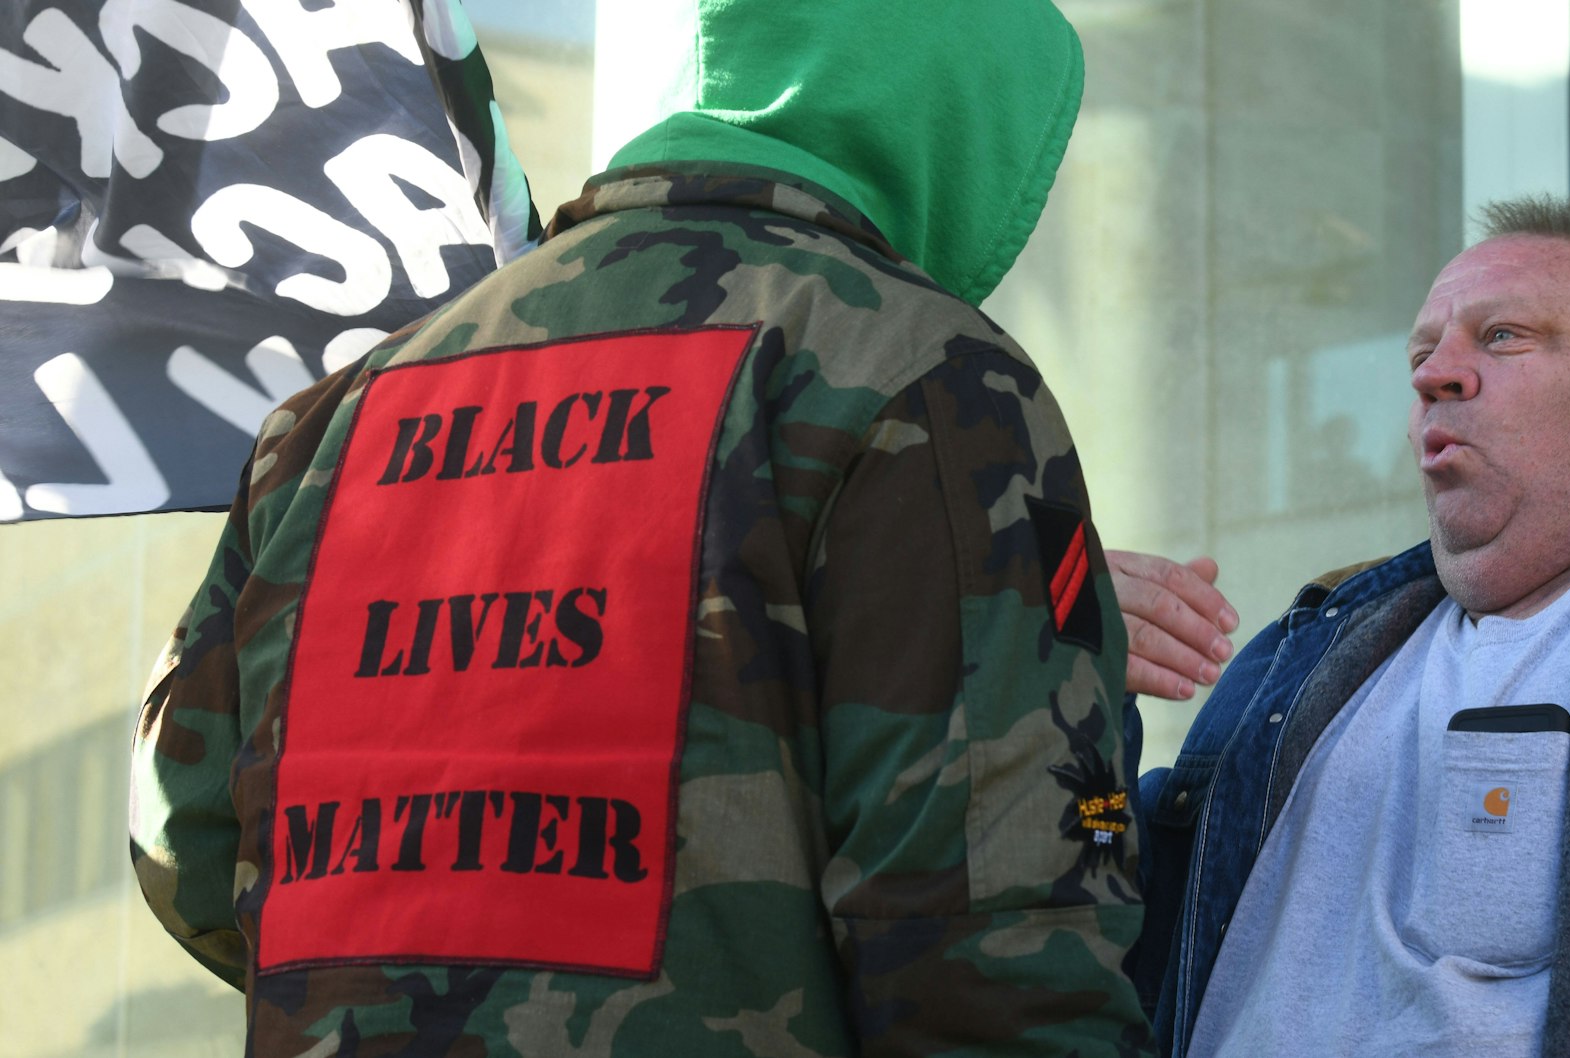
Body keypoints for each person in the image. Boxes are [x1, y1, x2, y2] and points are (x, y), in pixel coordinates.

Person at [127, 3, 1158, 1054]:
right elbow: (998, 929)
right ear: (968, 126)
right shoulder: (922, 373)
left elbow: (189, 832)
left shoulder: (340, 410)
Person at [1127, 197, 1570, 1058]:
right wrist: (1053, 677)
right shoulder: (1305, 644)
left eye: (1502, 335)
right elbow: (1094, 915)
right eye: (1422, 353)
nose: (1436, 374)